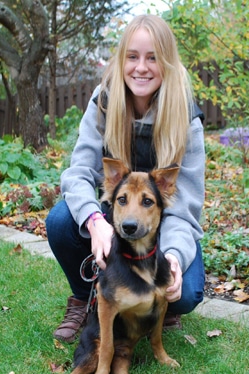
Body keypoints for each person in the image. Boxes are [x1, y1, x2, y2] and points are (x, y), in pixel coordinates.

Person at [46, 14, 206, 343]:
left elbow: (185, 206)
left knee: (187, 293)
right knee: (62, 220)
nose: (141, 68)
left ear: (168, 63)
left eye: (152, 58)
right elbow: (78, 173)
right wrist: (94, 221)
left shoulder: (187, 118)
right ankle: (83, 299)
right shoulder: (103, 102)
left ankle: (161, 303)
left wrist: (173, 257)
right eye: (132, 56)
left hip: (160, 226)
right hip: (114, 218)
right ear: (121, 60)